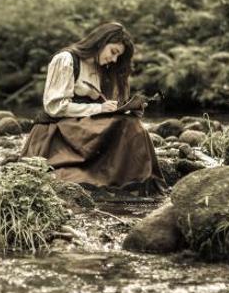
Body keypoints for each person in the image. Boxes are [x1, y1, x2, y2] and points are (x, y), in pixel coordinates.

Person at [21, 22, 159, 189]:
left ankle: (137, 183)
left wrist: (126, 107)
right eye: (113, 52)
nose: (114, 59)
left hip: (83, 128)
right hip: (57, 132)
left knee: (131, 124)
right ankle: (114, 179)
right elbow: (55, 107)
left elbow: (105, 103)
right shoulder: (66, 60)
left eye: (118, 56)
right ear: (101, 41)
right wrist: (99, 109)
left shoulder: (104, 67)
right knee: (126, 126)